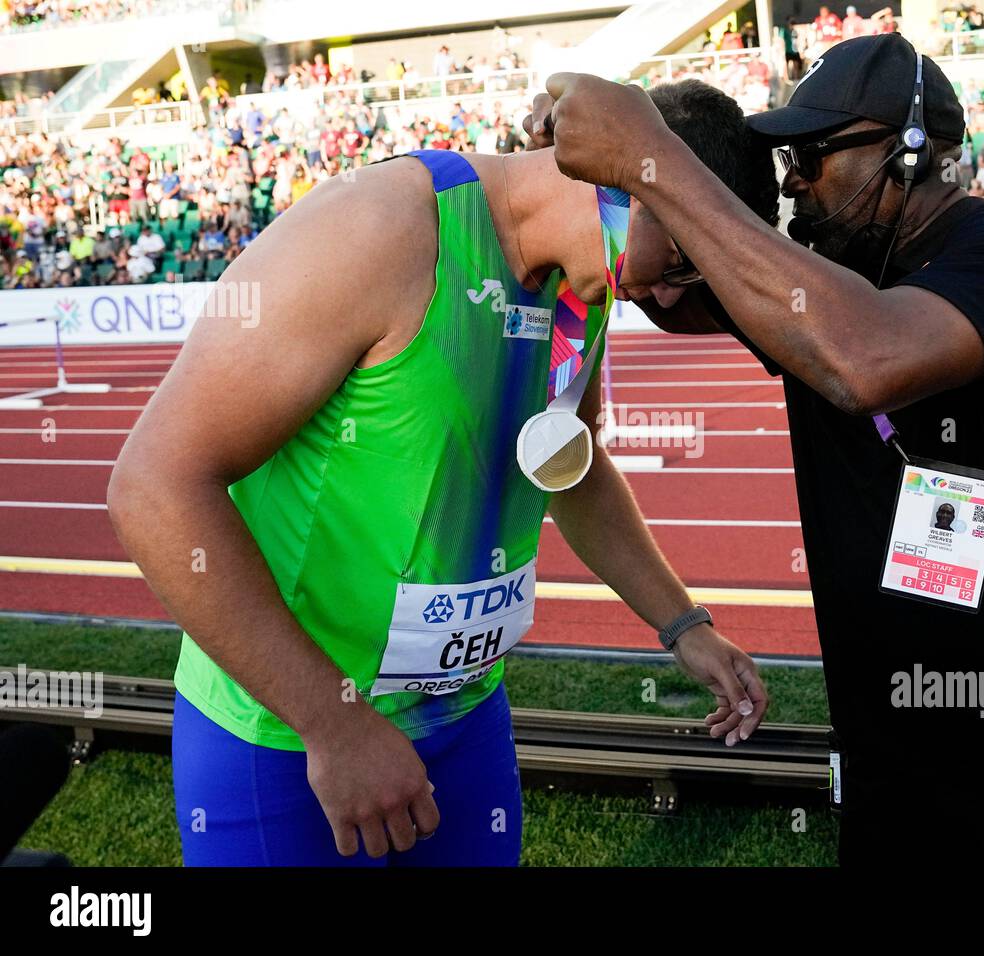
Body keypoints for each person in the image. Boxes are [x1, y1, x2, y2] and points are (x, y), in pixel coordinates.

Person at [534, 33, 984, 866]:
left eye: (813, 155)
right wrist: (592, 180)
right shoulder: (814, 288)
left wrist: (653, 160)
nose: (793, 182)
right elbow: (665, 285)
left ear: (913, 152)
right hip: (899, 757)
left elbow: (864, 362)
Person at [109, 102, 771, 866]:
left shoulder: (580, 287)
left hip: (463, 714)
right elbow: (155, 485)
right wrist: (336, 725)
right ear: (630, 179)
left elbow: (566, 461)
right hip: (288, 734)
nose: (664, 296)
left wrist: (683, 623)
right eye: (684, 258)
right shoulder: (379, 229)